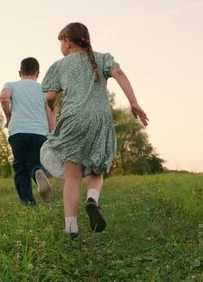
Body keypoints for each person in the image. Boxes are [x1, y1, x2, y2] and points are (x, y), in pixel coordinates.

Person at [40, 22, 148, 238]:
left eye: (61, 42)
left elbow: (50, 97)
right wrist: (133, 103)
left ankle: (71, 226)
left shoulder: (60, 65)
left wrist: (52, 108)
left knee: (72, 176)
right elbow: (118, 72)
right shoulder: (102, 58)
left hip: (72, 120)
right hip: (100, 119)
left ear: (67, 43)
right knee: (98, 166)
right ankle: (92, 199)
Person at [0, 57, 54, 205]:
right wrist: (52, 134)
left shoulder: (11, 85)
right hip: (39, 131)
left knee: (20, 166)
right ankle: (37, 171)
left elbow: (4, 97)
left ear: (19, 72)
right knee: (34, 162)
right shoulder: (44, 89)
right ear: (38, 73)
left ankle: (28, 201)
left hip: (17, 130)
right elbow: (50, 111)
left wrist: (8, 115)